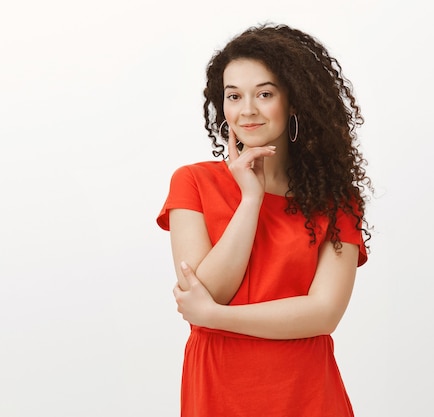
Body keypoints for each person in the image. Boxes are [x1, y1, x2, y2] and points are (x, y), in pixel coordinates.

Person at [156, 23, 372, 416]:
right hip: (217, 391)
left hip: (306, 395)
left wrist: (214, 317)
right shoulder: (193, 181)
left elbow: (323, 314)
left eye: (265, 94)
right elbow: (209, 289)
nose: (248, 110)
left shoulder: (336, 200)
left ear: (294, 101)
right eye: (234, 96)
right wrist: (251, 199)